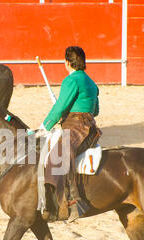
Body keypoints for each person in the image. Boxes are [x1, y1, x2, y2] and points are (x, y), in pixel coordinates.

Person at [36, 46, 101, 223]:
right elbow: (95, 111)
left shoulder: (70, 81)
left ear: (67, 62)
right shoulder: (91, 82)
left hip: (77, 128)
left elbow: (60, 107)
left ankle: (73, 203)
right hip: (90, 127)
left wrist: (45, 125)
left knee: (58, 156)